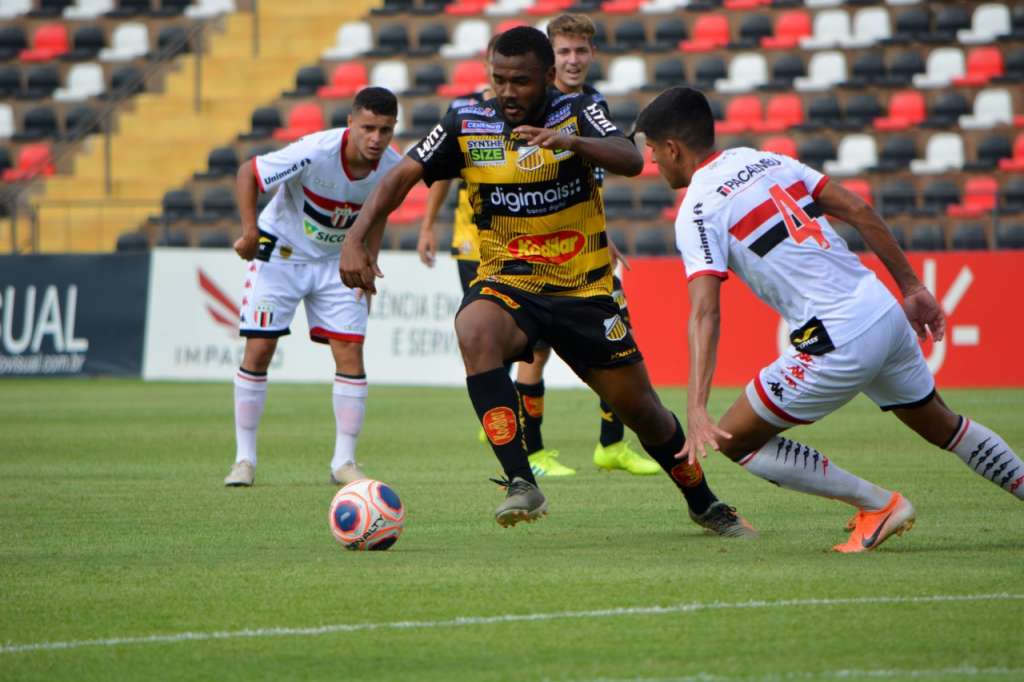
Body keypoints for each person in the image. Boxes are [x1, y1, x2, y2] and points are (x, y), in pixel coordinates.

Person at [340, 27, 755, 536]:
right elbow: (401, 176)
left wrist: (572, 142)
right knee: (474, 330)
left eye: (520, 81)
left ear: (547, 76)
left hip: (583, 290)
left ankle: (703, 502)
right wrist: (357, 235)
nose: (508, 92)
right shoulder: (466, 120)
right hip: (508, 281)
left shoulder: (577, 111)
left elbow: (629, 157)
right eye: (499, 79)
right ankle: (520, 480)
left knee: (643, 412)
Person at [635, 86, 1024, 552]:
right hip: (882, 308)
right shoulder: (768, 160)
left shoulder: (698, 207)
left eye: (654, 152)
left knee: (735, 440)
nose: (653, 163)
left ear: (673, 148)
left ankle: (878, 504)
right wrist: (914, 289)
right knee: (945, 425)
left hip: (839, 337)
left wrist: (696, 407)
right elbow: (859, 210)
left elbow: (704, 311)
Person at [417, 15, 659, 479]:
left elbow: (606, 171)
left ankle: (608, 442)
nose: (573, 60)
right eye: (564, 51)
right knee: (518, 345)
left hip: (572, 249)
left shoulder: (585, 108)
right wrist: (429, 225)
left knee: (608, 351)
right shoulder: (472, 114)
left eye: (579, 51)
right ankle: (526, 447)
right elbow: (436, 172)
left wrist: (599, 239)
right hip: (488, 247)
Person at [224, 87, 402, 488]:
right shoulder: (315, 151)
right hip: (281, 256)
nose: (376, 139)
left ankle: (344, 461)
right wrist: (250, 231)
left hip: (339, 262)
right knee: (259, 349)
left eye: (386, 130)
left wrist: (371, 260)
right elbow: (249, 173)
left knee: (351, 352)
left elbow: (380, 214)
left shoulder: (393, 167)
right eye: (369, 128)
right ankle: (244, 459)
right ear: (351, 123)